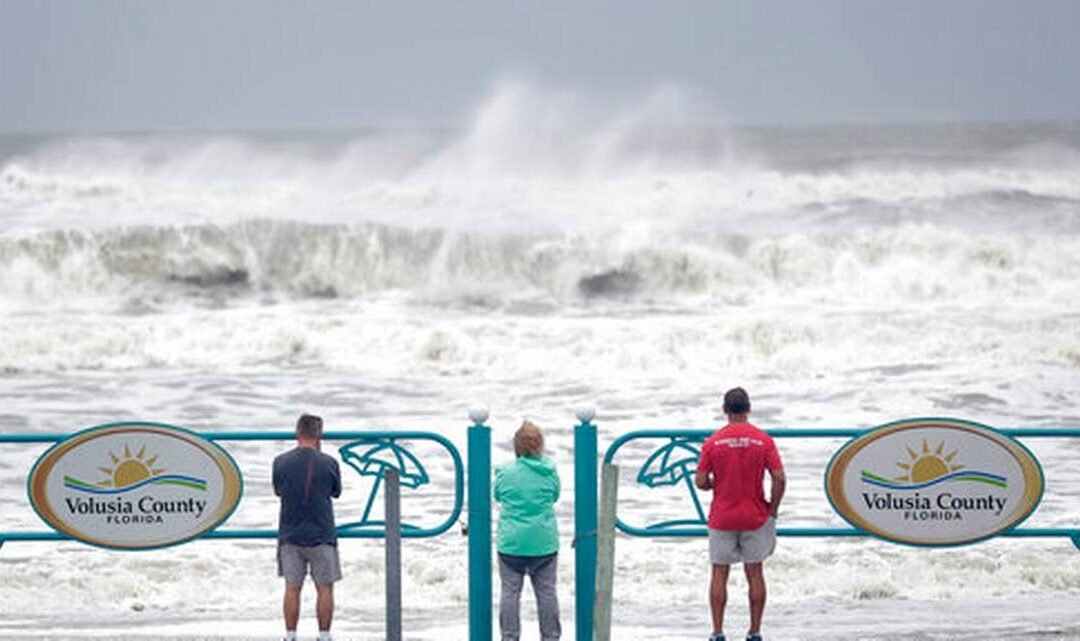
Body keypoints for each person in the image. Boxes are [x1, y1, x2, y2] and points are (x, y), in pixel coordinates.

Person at [695, 388, 786, 641]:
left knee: (719, 573)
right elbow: (779, 477)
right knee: (755, 572)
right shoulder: (763, 440)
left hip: (723, 516)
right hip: (755, 515)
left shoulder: (713, 442)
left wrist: (716, 484)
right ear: (748, 408)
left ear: (725, 410)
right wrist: (773, 508)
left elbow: (700, 481)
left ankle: (717, 632)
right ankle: (754, 632)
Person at [273, 413, 342, 641]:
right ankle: (324, 636)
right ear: (319, 434)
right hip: (322, 533)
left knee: (292, 587)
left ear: (297, 433)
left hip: (290, 533)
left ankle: (290, 635)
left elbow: (278, 491)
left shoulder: (280, 461)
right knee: (325, 588)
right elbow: (336, 492)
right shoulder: (329, 463)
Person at [494, 420, 562, 641]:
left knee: (510, 592)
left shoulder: (504, 472)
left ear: (516, 446)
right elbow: (554, 496)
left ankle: (509, 637)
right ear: (540, 445)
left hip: (511, 543)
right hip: (543, 543)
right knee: (547, 593)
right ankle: (551, 637)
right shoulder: (549, 471)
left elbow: (497, 496)